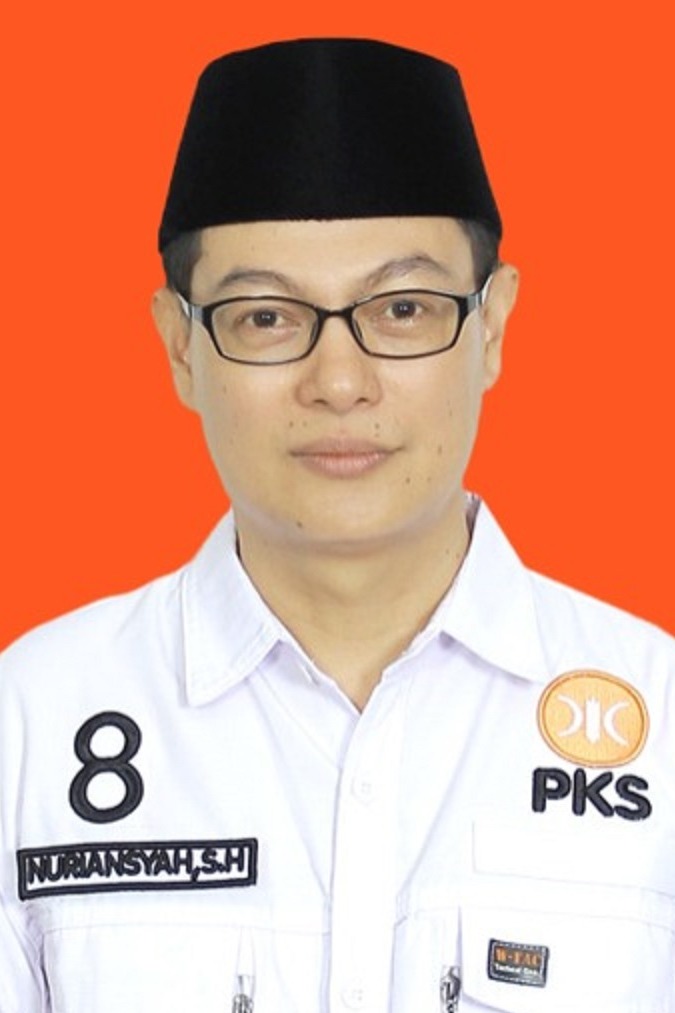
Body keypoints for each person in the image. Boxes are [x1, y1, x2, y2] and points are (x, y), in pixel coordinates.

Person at [1, 37, 673, 1013]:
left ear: (491, 326)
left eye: (402, 308)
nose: (340, 381)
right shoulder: (30, 721)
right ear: (181, 346)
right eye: (265, 317)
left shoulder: (659, 719)